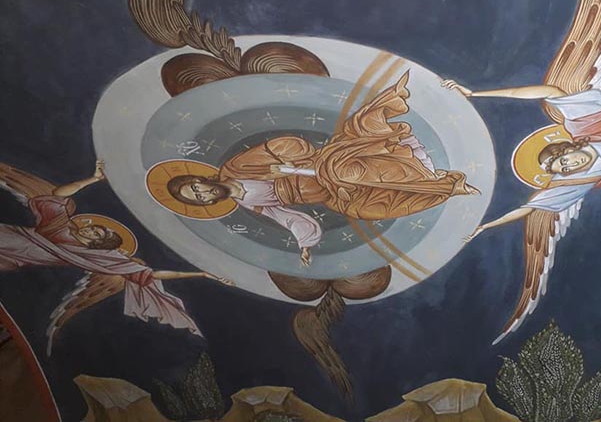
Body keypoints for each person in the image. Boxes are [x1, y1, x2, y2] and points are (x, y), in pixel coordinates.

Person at [164, 72, 479, 266]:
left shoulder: (235, 168)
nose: (203, 194)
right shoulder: (246, 202)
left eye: (195, 188)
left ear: (199, 178)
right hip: (325, 195)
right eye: (198, 198)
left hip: (322, 166)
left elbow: (286, 146)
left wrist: (284, 162)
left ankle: (412, 164)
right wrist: (304, 244)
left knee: (345, 173)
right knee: (365, 208)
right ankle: (445, 187)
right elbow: (284, 216)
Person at [442, 14, 601, 239]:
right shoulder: (580, 180)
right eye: (564, 170)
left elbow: (549, 92)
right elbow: (529, 208)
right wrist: (486, 226)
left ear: (568, 148)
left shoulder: (589, 127)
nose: (570, 166)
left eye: (564, 160)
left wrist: (476, 94)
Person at [0, 160, 233, 345]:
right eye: (96, 227)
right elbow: (58, 196)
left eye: (98, 233)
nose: (92, 229)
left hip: (15, 260)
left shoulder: (102, 259)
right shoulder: (59, 225)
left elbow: (150, 275)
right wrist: (93, 179)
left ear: (99, 244)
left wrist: (200, 274)